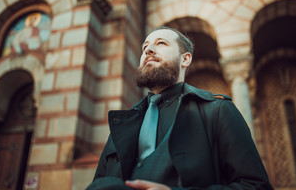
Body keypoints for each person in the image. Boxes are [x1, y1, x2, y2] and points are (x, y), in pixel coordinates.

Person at [87, 27, 273, 190]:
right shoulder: (122, 124)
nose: (149, 50)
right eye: (145, 47)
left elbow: (256, 186)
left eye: (161, 43)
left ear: (185, 59)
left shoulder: (218, 111)